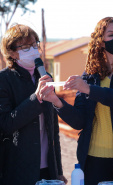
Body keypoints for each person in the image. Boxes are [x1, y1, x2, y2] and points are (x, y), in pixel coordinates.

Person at [40, 17, 113, 185]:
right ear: (100, 42)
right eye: (111, 34)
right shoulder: (90, 75)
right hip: (94, 160)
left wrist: (89, 89)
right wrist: (56, 101)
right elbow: (79, 121)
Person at [0, 24, 67, 185]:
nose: (33, 50)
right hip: (17, 169)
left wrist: (58, 171)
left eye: (34, 45)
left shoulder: (45, 77)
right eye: (25, 47)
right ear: (12, 52)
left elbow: (54, 130)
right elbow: (5, 124)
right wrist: (35, 98)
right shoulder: (4, 80)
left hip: (47, 168)